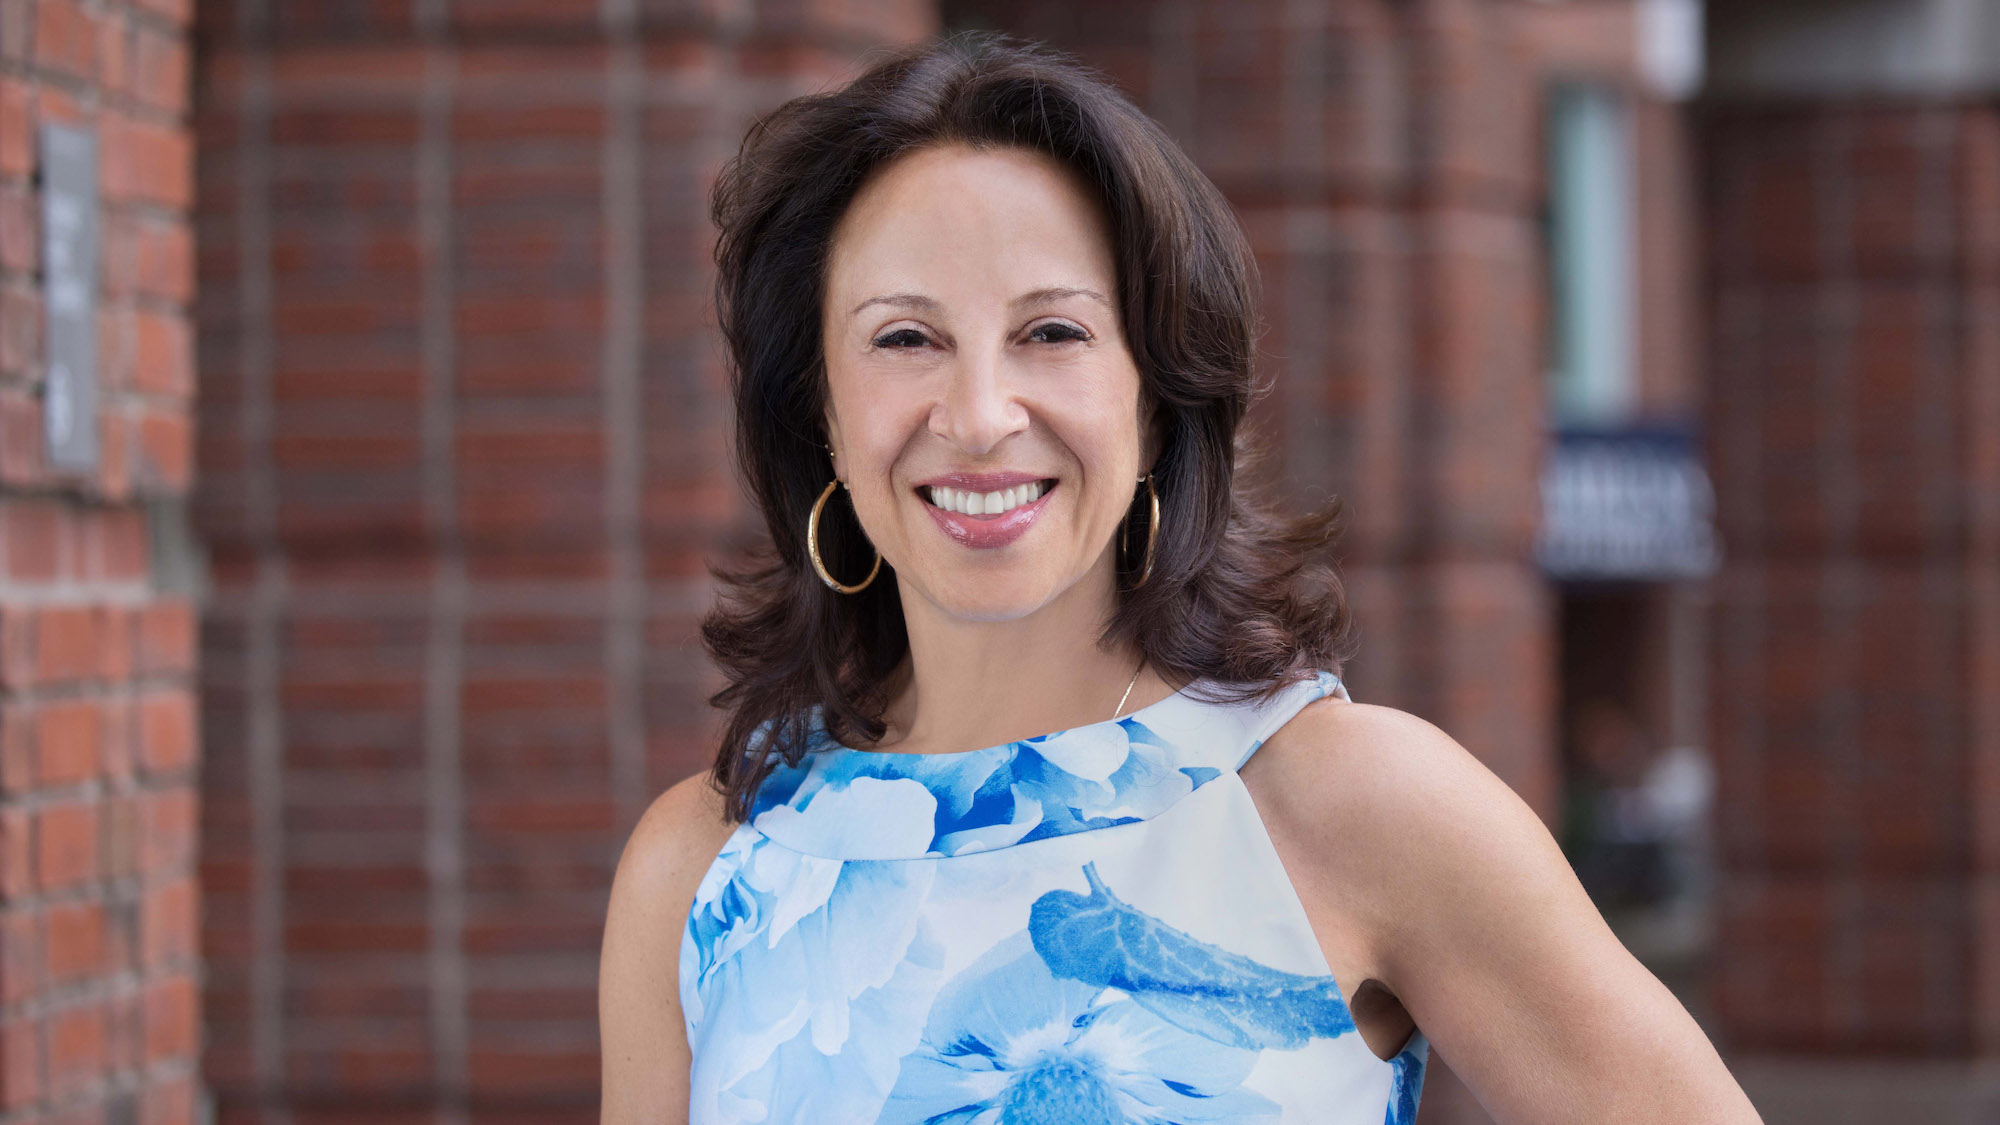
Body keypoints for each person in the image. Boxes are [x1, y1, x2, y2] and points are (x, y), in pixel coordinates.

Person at [599, 31, 1763, 1125]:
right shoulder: (705, 870)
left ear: (1157, 399)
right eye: (905, 339)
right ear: (822, 412)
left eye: (1051, 333)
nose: (979, 415)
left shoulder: (1349, 803)